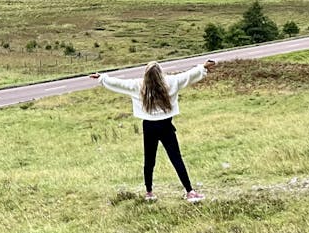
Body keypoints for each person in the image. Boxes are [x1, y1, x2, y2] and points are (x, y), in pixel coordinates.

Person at [92, 59, 216, 203]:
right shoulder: (170, 82)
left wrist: (102, 78)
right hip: (166, 126)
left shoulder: (138, 85)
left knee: (149, 160)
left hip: (149, 127)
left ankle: (149, 192)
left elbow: (118, 83)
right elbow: (188, 75)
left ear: (146, 74)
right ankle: (190, 192)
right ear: (160, 74)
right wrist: (203, 67)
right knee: (176, 159)